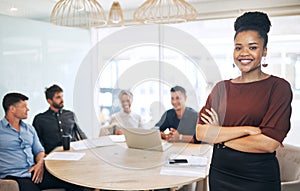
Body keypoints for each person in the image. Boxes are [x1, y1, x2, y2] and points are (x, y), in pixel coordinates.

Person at [195, 12, 293, 191]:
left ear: (264, 51)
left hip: (257, 179)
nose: (244, 53)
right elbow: (201, 133)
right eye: (238, 47)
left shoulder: (278, 88)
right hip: (220, 174)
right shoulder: (221, 89)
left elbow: (268, 143)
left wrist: (219, 138)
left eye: (253, 47)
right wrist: (247, 130)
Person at [0, 93, 84, 191]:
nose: (27, 109)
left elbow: (39, 150)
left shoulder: (29, 129)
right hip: (15, 175)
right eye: (24, 107)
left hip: (35, 171)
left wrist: (39, 164)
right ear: (12, 109)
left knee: (73, 182)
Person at [32, 84, 87, 154]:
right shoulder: (39, 119)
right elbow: (36, 142)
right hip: (52, 155)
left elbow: (81, 134)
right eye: (58, 97)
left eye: (62, 96)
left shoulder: (70, 114)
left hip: (73, 153)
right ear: (49, 101)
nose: (62, 100)